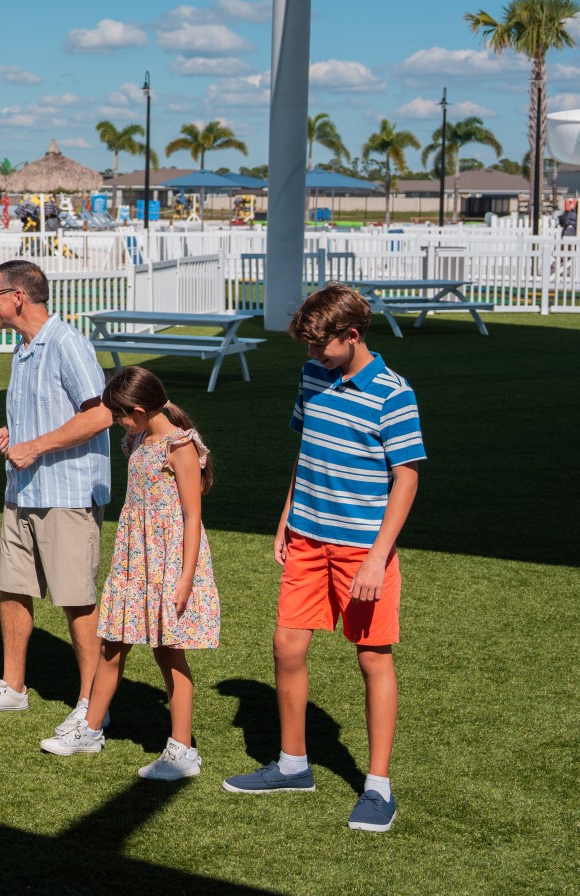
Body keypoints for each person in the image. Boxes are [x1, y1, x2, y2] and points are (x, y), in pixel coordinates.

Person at [223, 284, 423, 834]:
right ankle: (293, 765)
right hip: (307, 540)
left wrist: (377, 558)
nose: (312, 355)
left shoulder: (393, 393)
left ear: (351, 335)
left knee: (372, 658)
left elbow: (406, 478)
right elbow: (306, 449)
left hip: (363, 550)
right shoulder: (313, 375)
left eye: (320, 346)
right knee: (286, 645)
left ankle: (378, 787)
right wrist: (287, 516)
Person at [0, 259, 113, 742]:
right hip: (23, 490)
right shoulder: (22, 347)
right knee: (13, 587)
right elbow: (49, 413)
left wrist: (35, 446)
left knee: (76, 598)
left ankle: (92, 708)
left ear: (17, 297)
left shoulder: (67, 343)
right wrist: (13, 435)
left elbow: (101, 414)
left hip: (68, 492)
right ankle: (12, 686)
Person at [41, 366, 221, 780]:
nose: (117, 422)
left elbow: (192, 517)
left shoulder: (180, 447)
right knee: (112, 643)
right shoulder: (138, 439)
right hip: (134, 559)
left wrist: (186, 578)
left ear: (139, 410)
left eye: (120, 415)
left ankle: (182, 750)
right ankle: (90, 730)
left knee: (168, 651)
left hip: (167, 561)